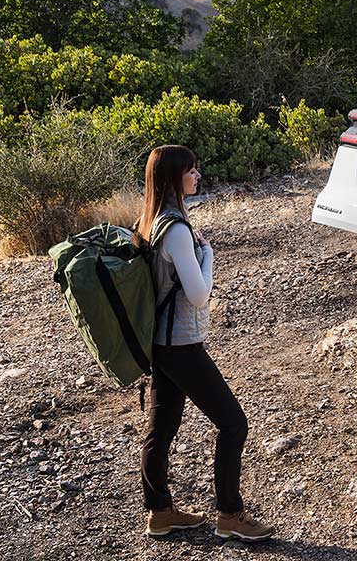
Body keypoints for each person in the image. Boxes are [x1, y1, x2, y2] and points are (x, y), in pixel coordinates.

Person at [134, 145, 275, 542]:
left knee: (160, 431)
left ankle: (160, 512)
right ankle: (230, 515)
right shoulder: (176, 229)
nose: (198, 176)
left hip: (161, 345)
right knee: (233, 423)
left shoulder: (150, 220)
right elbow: (197, 294)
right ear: (173, 178)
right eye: (191, 171)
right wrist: (208, 254)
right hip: (180, 345)